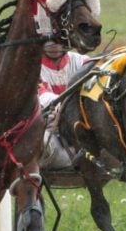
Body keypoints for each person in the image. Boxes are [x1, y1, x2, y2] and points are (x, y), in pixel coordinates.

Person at [37, 41, 89, 169]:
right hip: (48, 128)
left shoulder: (84, 62)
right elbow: (41, 95)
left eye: (57, 40)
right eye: (47, 41)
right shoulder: (31, 66)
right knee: (44, 146)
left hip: (81, 127)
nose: (53, 45)